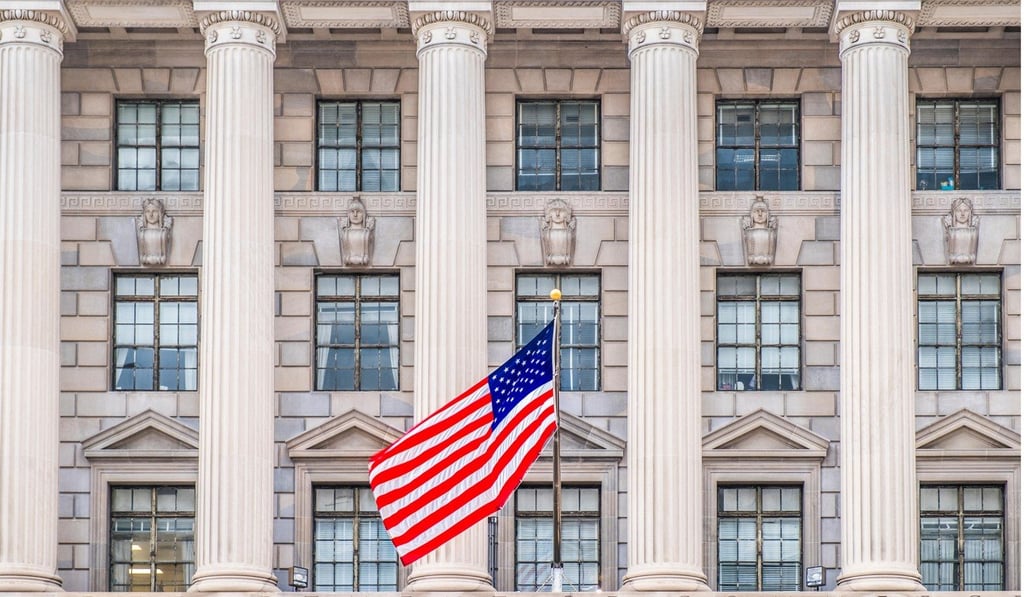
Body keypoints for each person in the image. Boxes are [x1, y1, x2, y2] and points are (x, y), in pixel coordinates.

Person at [741, 198, 777, 265]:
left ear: (767, 214)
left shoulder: (771, 233)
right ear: (752, 214)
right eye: (756, 211)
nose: (760, 214)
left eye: (763, 211)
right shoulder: (748, 233)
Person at [136, 198, 172, 265]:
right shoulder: (142, 233)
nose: (151, 215)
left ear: (160, 214)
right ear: (144, 214)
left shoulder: (163, 233)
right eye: (147, 211)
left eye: (154, 211)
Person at [540, 199, 576, 266]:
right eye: (554, 211)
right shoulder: (546, 231)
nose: (557, 214)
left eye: (561, 211)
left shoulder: (568, 232)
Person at [340, 197, 375, 266]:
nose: (355, 215)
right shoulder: (345, 233)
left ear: (364, 214)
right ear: (348, 215)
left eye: (358, 211)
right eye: (352, 211)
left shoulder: (367, 233)